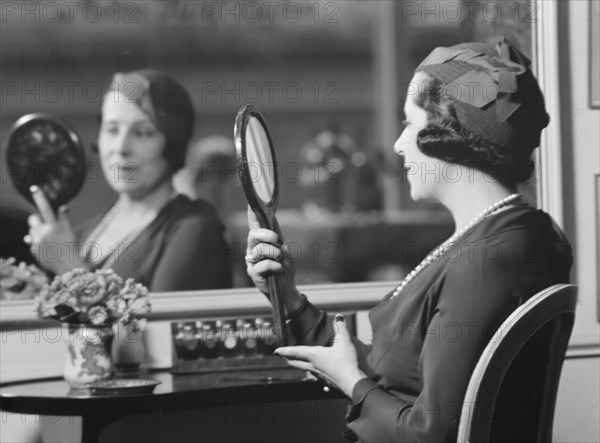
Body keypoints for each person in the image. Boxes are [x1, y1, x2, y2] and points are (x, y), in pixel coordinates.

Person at [245, 40, 573, 442]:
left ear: (449, 131)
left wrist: (351, 381)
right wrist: (288, 295)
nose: (399, 145)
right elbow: (391, 373)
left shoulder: (490, 258)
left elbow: (431, 434)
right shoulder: (506, 237)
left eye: (409, 123)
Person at [26, 70, 231, 291]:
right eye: (112, 130)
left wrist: (68, 267)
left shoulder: (195, 231)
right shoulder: (82, 233)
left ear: (173, 144)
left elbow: (158, 325)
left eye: (142, 133)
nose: (121, 148)